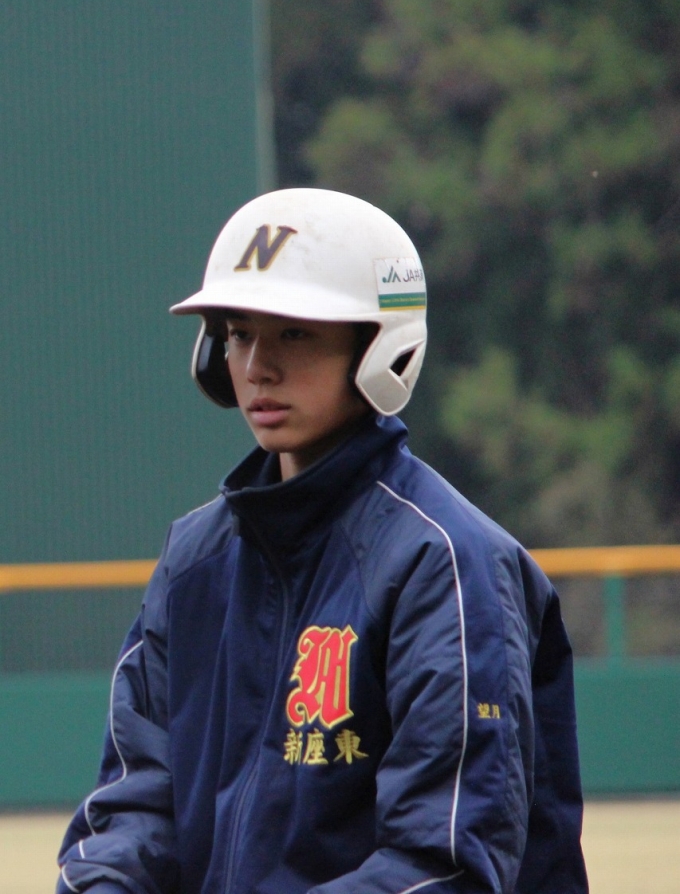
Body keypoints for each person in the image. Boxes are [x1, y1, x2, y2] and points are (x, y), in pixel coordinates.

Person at [56, 188, 588, 894]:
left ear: (380, 345)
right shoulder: (195, 562)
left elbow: (445, 863)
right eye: (239, 333)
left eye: (294, 333)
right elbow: (133, 810)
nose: (257, 366)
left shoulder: (444, 563)